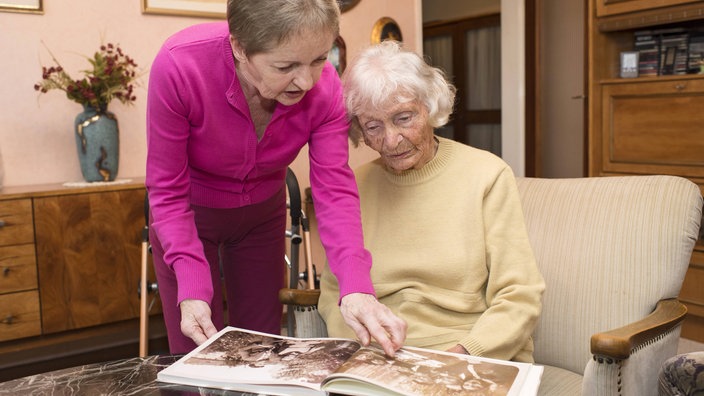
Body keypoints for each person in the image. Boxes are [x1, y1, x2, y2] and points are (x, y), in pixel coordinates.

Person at [146, 0, 406, 355]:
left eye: (318, 58)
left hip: (262, 218)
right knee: (195, 358)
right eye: (286, 65)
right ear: (239, 47)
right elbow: (167, 191)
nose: (307, 80)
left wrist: (356, 286)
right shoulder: (180, 64)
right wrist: (191, 288)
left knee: (260, 351)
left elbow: (335, 191)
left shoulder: (325, 86)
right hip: (188, 217)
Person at [318, 41, 545, 362]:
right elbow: (333, 294)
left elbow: (519, 296)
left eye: (404, 118)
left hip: (466, 355)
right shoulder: (352, 187)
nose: (391, 140)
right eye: (373, 127)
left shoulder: (487, 175)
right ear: (360, 131)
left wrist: (462, 354)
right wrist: (362, 351)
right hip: (377, 357)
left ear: (430, 106)